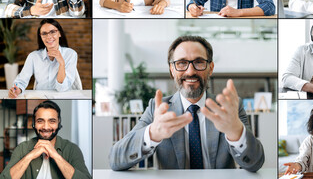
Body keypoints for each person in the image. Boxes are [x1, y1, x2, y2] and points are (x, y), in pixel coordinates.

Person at [109, 35, 264, 170]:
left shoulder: (229, 108)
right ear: (172, 69)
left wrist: (236, 133)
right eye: (182, 63)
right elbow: (115, 159)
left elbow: (255, 163)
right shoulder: (157, 109)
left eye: (199, 62)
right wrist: (151, 134)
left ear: (210, 68)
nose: (190, 71)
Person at [0, 100, 91, 179]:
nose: (46, 127)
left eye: (52, 121)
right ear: (34, 124)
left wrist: (56, 156)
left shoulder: (72, 149)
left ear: (58, 123)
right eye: (40, 121)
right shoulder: (22, 148)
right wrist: (29, 156)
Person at [8, 19, 78, 98]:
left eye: (52, 32)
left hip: (63, 97)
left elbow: (62, 88)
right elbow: (21, 80)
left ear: (59, 33)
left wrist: (61, 63)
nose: (49, 36)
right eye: (44, 33)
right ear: (40, 36)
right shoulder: (33, 56)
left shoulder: (71, 54)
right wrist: (18, 89)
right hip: (39, 97)